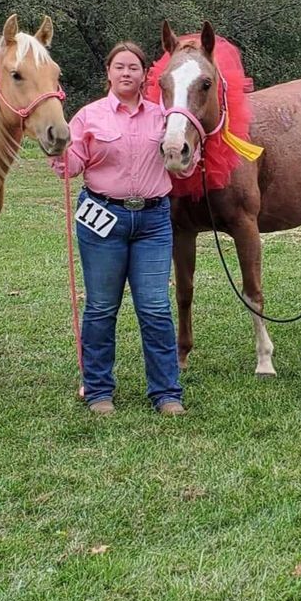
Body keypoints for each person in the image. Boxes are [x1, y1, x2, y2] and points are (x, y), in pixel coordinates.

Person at [50, 42, 185, 416]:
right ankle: (98, 391)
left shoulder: (164, 116)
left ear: (145, 76)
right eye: (119, 67)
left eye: (134, 68)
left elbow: (183, 166)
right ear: (108, 73)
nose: (127, 73)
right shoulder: (88, 116)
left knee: (156, 307)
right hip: (102, 217)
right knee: (102, 307)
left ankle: (166, 393)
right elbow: (71, 166)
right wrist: (58, 152)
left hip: (154, 220)